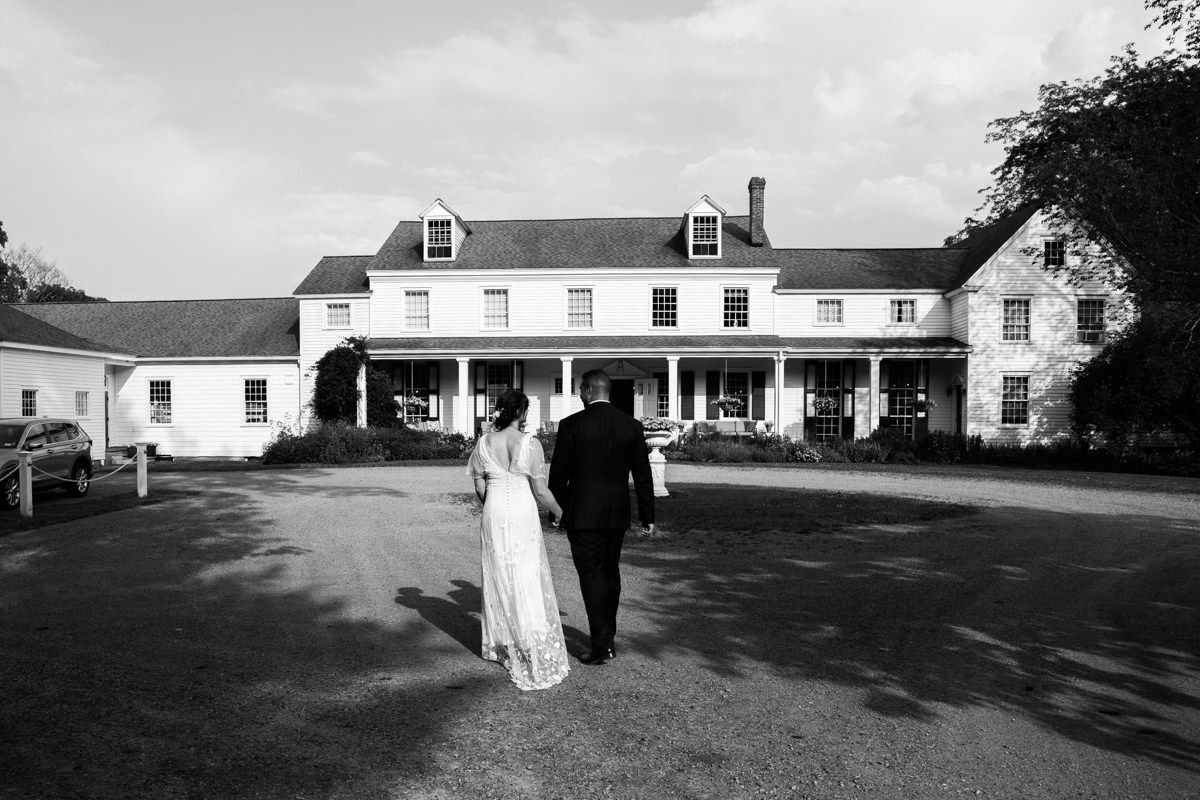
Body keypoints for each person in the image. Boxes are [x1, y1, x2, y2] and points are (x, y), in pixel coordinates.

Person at [549, 369, 655, 665]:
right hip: (616, 513)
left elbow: (559, 474)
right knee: (610, 573)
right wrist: (648, 514)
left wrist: (554, 511)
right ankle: (607, 637)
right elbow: (643, 474)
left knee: (592, 576)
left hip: (582, 512)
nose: (580, 395)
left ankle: (601, 646)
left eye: (580, 391)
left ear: (587, 391)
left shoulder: (571, 425)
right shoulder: (631, 425)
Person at [466, 389, 570, 690]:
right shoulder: (530, 443)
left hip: (494, 511)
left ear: (500, 411)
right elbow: (540, 491)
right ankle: (529, 635)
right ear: (522, 413)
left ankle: (500, 639)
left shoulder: (483, 442)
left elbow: (480, 487)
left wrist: (493, 502)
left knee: (498, 570)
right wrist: (561, 513)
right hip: (523, 511)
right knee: (525, 572)